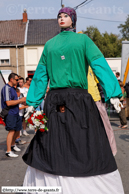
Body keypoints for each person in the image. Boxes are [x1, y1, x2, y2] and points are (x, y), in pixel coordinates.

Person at [22, 7, 124, 194]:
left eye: (66, 16)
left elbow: (98, 64)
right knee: (78, 139)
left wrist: (113, 93)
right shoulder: (55, 43)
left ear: (73, 19)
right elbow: (40, 75)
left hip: (63, 99)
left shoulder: (73, 41)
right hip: (70, 99)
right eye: (59, 16)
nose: (61, 18)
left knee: (63, 138)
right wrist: (32, 102)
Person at [88, 66, 117, 156]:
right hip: (81, 100)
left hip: (95, 99)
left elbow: (102, 80)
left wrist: (112, 94)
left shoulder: (90, 64)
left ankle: (109, 152)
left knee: (104, 127)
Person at [1, 73, 26, 157]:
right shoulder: (6, 88)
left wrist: (22, 101)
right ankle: (8, 151)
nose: (18, 81)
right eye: (16, 80)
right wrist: (20, 100)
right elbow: (8, 103)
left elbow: (15, 101)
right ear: (11, 79)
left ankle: (12, 145)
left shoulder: (13, 88)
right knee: (11, 131)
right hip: (10, 113)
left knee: (17, 129)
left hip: (16, 112)